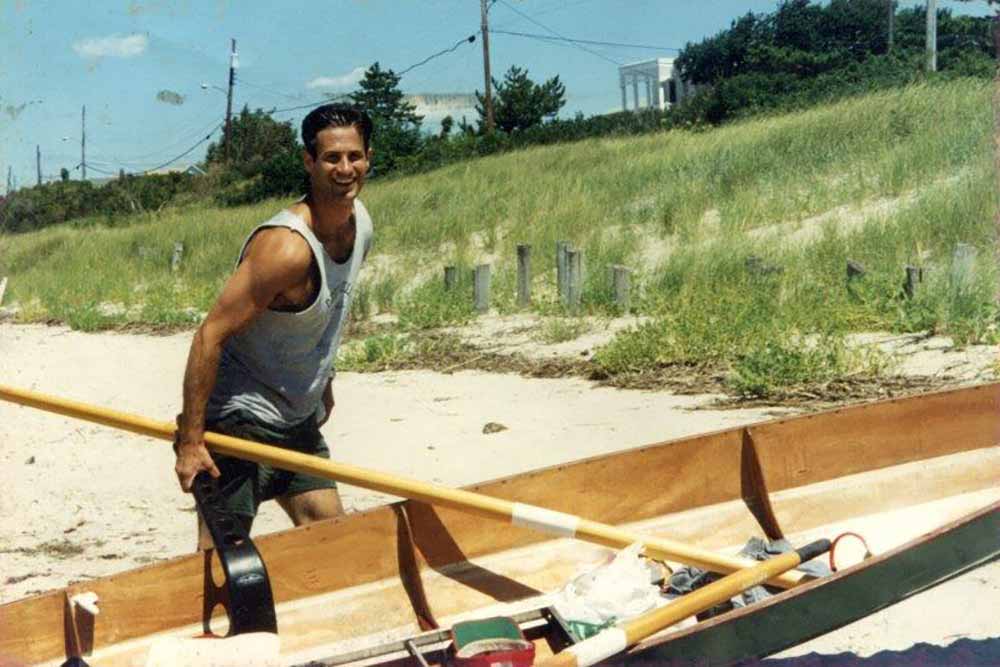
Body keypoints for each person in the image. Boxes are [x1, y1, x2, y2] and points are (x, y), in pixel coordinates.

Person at [173, 104, 374, 549]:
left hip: (295, 421)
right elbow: (210, 334)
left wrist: (325, 380)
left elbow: (331, 311)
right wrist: (191, 441)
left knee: (335, 545)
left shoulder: (361, 226)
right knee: (223, 565)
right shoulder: (285, 249)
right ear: (309, 162)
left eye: (354, 156)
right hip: (237, 421)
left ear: (368, 157)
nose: (345, 169)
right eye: (331, 158)